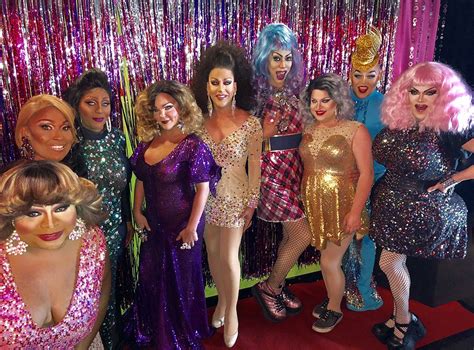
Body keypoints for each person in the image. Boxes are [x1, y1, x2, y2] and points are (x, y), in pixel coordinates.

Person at [370, 62, 473, 350]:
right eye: (414, 91)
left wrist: (454, 178)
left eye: (431, 92)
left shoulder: (451, 129)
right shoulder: (404, 122)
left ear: (445, 96)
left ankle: (405, 321)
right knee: (392, 263)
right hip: (391, 205)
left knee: (389, 262)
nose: (421, 99)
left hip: (419, 209)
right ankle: (399, 318)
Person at [124, 80, 219, 349]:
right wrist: (136, 212)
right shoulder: (146, 144)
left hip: (183, 225)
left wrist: (192, 227)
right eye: (156, 110)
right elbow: (141, 179)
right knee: (152, 277)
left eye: (168, 107)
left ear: (181, 109)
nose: (162, 115)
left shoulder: (193, 146)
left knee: (181, 281)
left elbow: (202, 191)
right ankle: (153, 329)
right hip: (154, 224)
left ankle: (181, 331)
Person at [191, 42, 262, 348]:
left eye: (227, 82)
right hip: (206, 199)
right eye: (215, 82)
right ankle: (221, 301)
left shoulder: (251, 123)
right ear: (206, 85)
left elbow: (256, 165)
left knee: (229, 256)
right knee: (213, 253)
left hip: (236, 196)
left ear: (236, 85)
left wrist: (252, 202)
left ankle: (231, 312)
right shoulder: (197, 123)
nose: (221, 89)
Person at [0, 160, 110, 348]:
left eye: (61, 208)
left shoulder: (92, 242)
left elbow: (103, 296)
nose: (50, 223)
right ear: (11, 216)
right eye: (33, 213)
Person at [299, 73, 373, 333]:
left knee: (329, 262)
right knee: (326, 259)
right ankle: (333, 294)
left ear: (337, 102)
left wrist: (355, 212)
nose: (318, 106)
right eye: (314, 101)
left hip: (344, 205)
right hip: (316, 204)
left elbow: (366, 174)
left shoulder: (355, 129)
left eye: (325, 101)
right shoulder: (309, 129)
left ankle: (334, 308)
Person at [250, 23, 313, 322]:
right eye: (276, 58)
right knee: (303, 234)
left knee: (294, 235)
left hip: (294, 169)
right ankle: (270, 287)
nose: (283, 65)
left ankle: (278, 283)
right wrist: (264, 135)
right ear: (264, 59)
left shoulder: (295, 91)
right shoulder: (255, 95)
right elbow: (245, 144)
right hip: (271, 173)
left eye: (287, 57)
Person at [64, 68, 130, 349]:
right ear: (77, 105)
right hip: (82, 236)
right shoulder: (68, 145)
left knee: (109, 294)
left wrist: (126, 221)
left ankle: (112, 343)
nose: (99, 110)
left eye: (105, 103)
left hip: (114, 233)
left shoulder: (116, 140)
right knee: (85, 295)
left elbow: (125, 187)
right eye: (91, 102)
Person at [343, 27, 385, 312]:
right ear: (349, 72)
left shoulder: (386, 105)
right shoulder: (339, 100)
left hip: (373, 180)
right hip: (341, 180)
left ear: (379, 74)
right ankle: (348, 284)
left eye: (370, 75)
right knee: (344, 235)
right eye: (358, 74)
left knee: (364, 235)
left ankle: (364, 285)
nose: (363, 81)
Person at [14, 94, 76, 162]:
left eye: (65, 128)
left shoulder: (73, 170)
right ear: (25, 132)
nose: (59, 137)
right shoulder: (19, 172)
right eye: (46, 127)